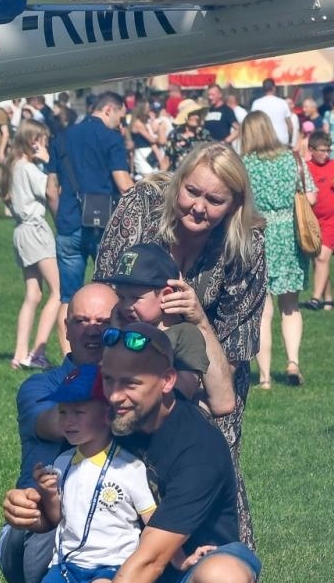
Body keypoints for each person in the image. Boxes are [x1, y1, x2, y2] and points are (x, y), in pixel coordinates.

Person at [17, 323, 261, 583]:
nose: (114, 396)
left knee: (227, 580)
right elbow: (70, 466)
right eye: (109, 380)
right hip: (115, 579)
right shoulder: (111, 423)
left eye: (130, 383)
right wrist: (34, 505)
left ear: (166, 381)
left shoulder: (197, 446)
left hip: (186, 579)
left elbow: (151, 559)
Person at [95, 143, 267, 546]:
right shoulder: (142, 206)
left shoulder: (247, 245)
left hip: (209, 366)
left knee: (212, 447)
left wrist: (197, 317)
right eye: (192, 192)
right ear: (178, 184)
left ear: (235, 205)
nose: (199, 207)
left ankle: (221, 567)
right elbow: (104, 288)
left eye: (215, 200)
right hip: (127, 354)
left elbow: (236, 346)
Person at [15, 366, 154, 583]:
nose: (68, 421)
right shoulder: (62, 463)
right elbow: (57, 517)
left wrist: (178, 557)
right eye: (63, 412)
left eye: (79, 412)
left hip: (110, 568)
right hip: (67, 566)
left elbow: (152, 521)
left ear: (107, 415)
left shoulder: (129, 468)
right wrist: (48, 494)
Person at [0, 284, 117, 583]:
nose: (92, 330)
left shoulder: (132, 385)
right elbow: (56, 424)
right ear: (65, 327)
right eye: (81, 321)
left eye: (104, 322)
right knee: (57, 519)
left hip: (109, 515)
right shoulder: (39, 386)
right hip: (34, 524)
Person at [101, 242, 235, 416]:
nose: (126, 306)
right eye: (121, 297)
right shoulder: (117, 333)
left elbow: (181, 393)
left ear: (166, 295)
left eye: (135, 298)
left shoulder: (183, 334)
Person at [239, 111, 308, 388]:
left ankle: (265, 377)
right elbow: (310, 194)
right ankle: (293, 361)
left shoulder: (245, 164)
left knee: (262, 310)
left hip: (260, 235)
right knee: (290, 306)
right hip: (290, 237)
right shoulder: (293, 159)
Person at [48, 91, 134, 302]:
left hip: (68, 221)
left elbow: (51, 189)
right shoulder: (111, 138)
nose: (120, 124)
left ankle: (66, 337)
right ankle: (105, 335)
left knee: (68, 299)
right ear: (108, 110)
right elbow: (124, 185)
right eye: (120, 118)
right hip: (103, 224)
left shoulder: (63, 137)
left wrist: (60, 219)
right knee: (111, 294)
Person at [6, 119, 61, 370]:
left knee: (33, 294)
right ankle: (37, 352)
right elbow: (51, 190)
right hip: (36, 229)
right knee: (58, 293)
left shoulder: (16, 166)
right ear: (34, 142)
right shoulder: (29, 168)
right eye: (44, 141)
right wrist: (49, 161)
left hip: (20, 231)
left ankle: (19, 354)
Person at [301, 132, 334, 312]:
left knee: (322, 257)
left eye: (328, 150)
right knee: (318, 259)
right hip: (312, 221)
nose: (326, 154)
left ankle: (315, 299)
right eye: (322, 151)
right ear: (311, 150)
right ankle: (328, 299)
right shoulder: (305, 168)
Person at [250, 78, 297, 148]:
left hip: (263, 142)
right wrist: (290, 141)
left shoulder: (256, 104)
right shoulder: (282, 103)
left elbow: (252, 124)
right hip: (282, 140)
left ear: (263, 89)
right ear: (274, 88)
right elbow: (290, 125)